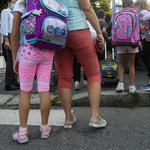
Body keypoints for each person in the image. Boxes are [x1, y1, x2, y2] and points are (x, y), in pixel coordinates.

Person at [55, 0, 107, 129]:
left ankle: (68, 118)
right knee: (93, 73)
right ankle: (95, 117)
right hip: (78, 29)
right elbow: (87, 8)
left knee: (64, 77)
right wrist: (99, 33)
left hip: (58, 32)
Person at [11, 0, 54, 143]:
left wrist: (14, 57)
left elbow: (15, 34)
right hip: (48, 51)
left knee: (25, 91)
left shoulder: (21, 3)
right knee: (44, 89)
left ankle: (22, 132)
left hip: (28, 51)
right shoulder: (50, 1)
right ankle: (45, 128)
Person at [115, 0, 139, 93]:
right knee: (131, 64)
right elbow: (137, 28)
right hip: (132, 41)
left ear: (122, 5)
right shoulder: (135, 14)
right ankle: (131, 86)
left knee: (121, 64)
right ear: (132, 5)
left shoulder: (117, 14)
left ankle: (120, 84)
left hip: (120, 41)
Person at [134, 0, 150, 92]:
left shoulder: (143, 12)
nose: (136, 8)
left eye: (136, 6)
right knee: (148, 59)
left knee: (147, 59)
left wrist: (141, 20)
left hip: (148, 40)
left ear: (139, 5)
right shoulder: (145, 12)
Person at [0, 0, 19, 90]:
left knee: (16, 60)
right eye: (13, 1)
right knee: (10, 61)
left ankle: (14, 81)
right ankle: (8, 84)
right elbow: (4, 26)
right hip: (9, 37)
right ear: (8, 3)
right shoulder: (5, 12)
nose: (15, 3)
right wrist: (6, 40)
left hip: (15, 38)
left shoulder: (15, 13)